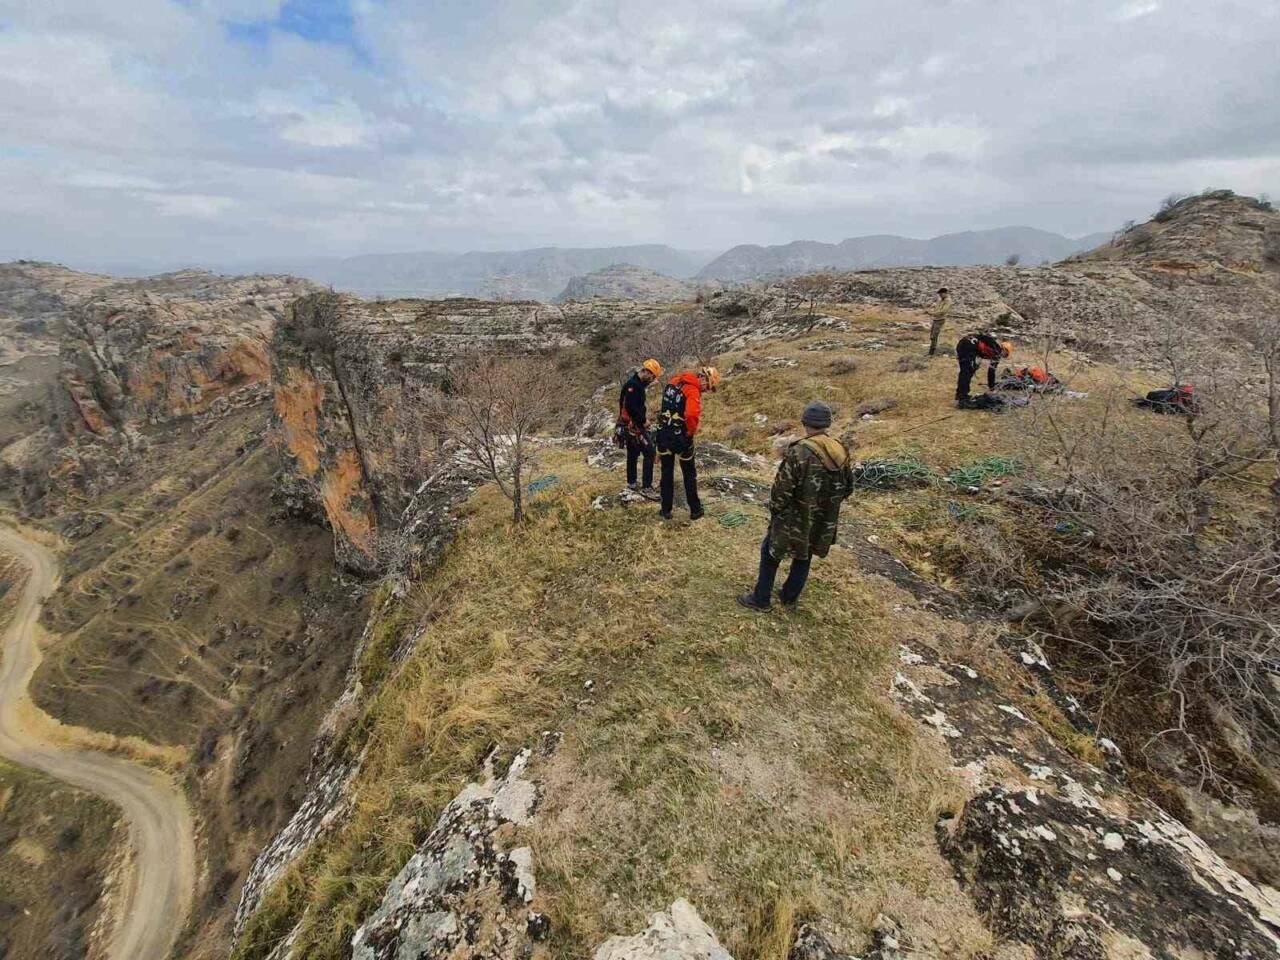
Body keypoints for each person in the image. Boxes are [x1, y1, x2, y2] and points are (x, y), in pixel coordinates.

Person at [738, 401, 853, 611]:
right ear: (827, 423)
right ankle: (789, 597)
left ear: (805, 422)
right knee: (805, 554)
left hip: (793, 518)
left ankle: (761, 599)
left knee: (770, 552)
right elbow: (848, 488)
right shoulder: (840, 449)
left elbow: (781, 491)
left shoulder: (799, 452)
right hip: (821, 519)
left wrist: (775, 509)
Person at [654, 365, 722, 520]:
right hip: (681, 437)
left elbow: (665, 406)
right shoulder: (692, 390)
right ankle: (695, 509)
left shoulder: (673, 381)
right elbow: (691, 414)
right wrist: (690, 432)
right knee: (689, 473)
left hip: (664, 433)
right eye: (708, 386)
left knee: (666, 472)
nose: (706, 390)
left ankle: (665, 510)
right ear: (703, 378)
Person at [617, 358, 663, 492]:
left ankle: (632, 483)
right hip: (633, 426)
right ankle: (647, 487)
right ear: (647, 372)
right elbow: (631, 408)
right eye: (652, 377)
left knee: (633, 452)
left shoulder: (635, 384)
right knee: (649, 452)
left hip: (628, 425)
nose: (652, 380)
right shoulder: (634, 386)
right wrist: (643, 421)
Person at [955, 333, 1012, 406]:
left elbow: (981, 338)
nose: (1003, 356)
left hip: (963, 343)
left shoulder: (993, 345)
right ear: (1005, 350)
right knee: (967, 371)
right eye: (1006, 354)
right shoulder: (997, 352)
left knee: (967, 371)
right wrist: (992, 388)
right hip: (969, 347)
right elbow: (991, 372)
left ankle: (961, 394)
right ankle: (962, 397)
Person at [926, 286, 953, 356]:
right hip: (935, 319)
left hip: (940, 320)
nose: (940, 295)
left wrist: (932, 313)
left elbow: (943, 311)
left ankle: (931, 353)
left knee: (934, 336)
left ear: (945, 293)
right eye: (939, 294)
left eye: (941, 294)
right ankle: (931, 351)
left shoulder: (948, 301)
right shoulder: (940, 299)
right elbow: (936, 307)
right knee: (932, 335)